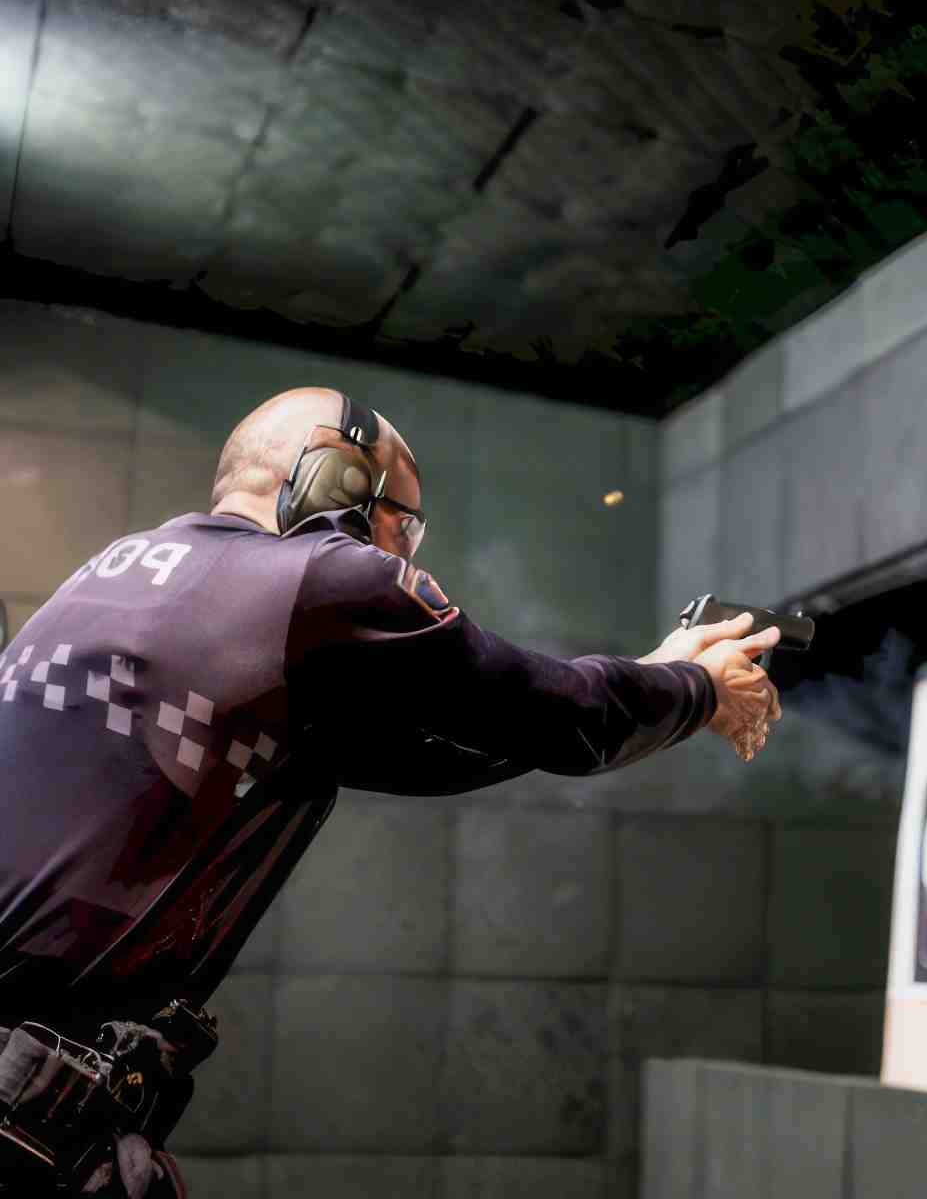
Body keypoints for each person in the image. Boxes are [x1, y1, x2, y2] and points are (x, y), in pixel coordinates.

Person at [0, 386, 781, 1196]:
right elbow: (566, 719)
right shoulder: (323, 576)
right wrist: (696, 688)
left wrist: (659, 676)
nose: (404, 553)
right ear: (336, 483)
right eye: (402, 522)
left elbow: (453, 744)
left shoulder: (116, 575)